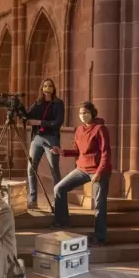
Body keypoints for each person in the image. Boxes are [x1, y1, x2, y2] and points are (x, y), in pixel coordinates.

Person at [49, 101, 111, 247]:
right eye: (81, 113)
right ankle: (62, 222)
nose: (83, 116)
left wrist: (99, 173)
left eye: (86, 113)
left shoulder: (100, 129)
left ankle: (100, 237)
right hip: (82, 169)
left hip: (98, 170)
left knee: (99, 204)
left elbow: (106, 153)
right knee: (59, 188)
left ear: (92, 113)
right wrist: (61, 151)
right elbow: (77, 151)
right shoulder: (79, 130)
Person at [25, 78, 65, 209]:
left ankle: (57, 200)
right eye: (45, 86)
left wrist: (40, 122)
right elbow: (28, 116)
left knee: (54, 169)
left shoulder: (58, 104)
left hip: (51, 139)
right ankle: (33, 199)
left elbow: (57, 123)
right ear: (42, 88)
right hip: (37, 138)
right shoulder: (38, 103)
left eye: (50, 86)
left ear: (54, 88)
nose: (47, 88)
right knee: (31, 168)